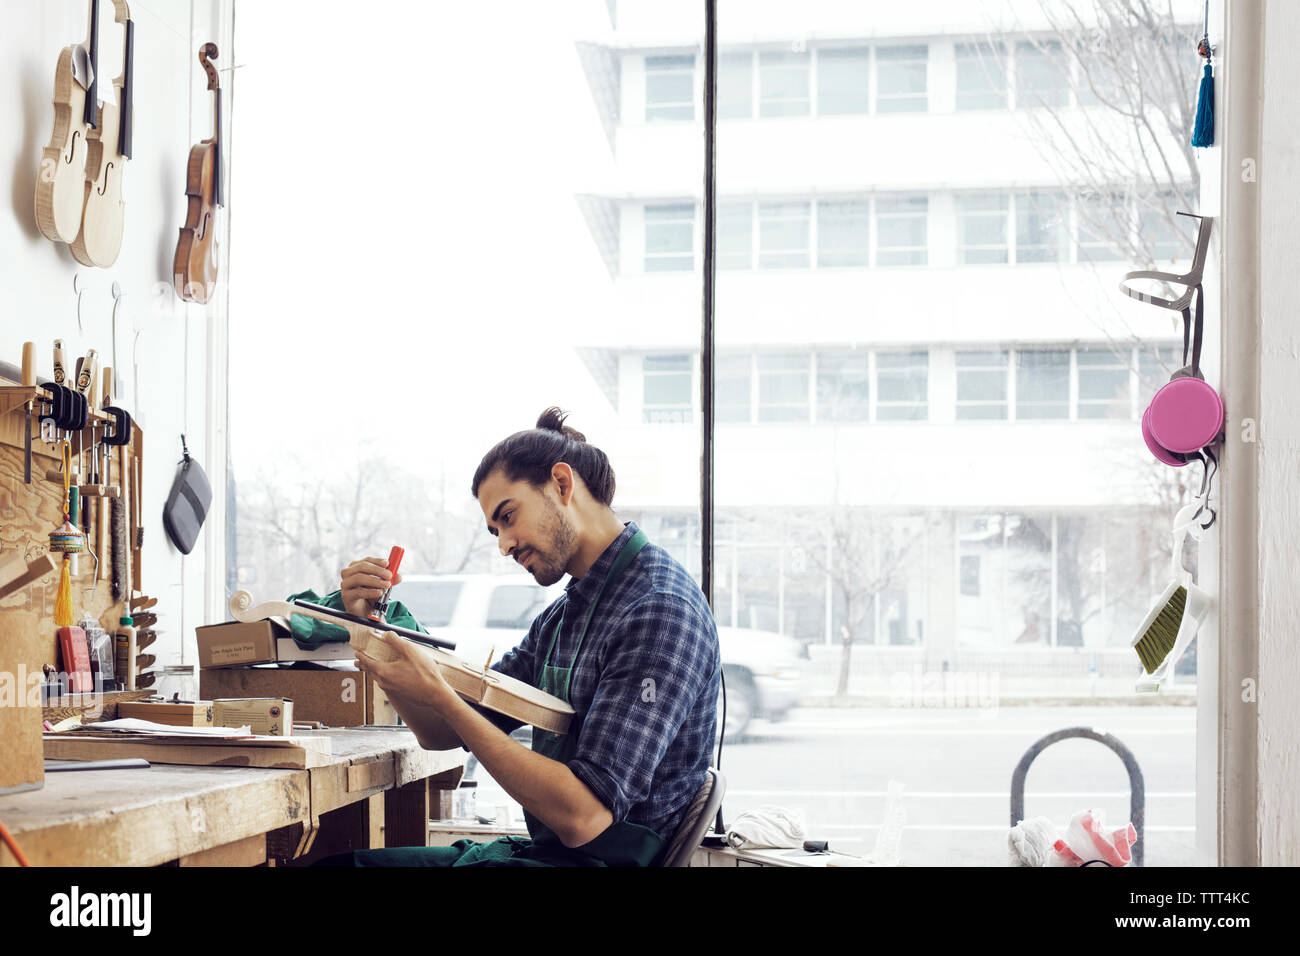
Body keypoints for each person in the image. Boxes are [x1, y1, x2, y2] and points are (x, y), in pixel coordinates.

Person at [324, 407, 720, 866]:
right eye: (495, 530)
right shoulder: (562, 617)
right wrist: (370, 635)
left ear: (562, 483)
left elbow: (582, 816)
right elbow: (442, 733)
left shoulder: (658, 610)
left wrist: (440, 692)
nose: (504, 544)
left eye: (508, 516)